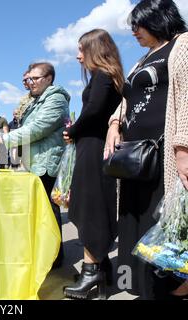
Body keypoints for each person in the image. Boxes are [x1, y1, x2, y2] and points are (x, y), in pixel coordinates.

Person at [104, 0, 188, 300]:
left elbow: (187, 94)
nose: (133, 31)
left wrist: (183, 147)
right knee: (135, 220)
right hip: (134, 157)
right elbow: (127, 99)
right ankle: (140, 287)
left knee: (163, 222)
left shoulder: (183, 45)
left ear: (158, 19)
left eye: (138, 24)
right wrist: (114, 125)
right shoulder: (143, 59)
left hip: (163, 153)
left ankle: (169, 289)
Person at [0, 62, 70, 267]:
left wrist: (4, 139)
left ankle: (54, 258)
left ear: (49, 78)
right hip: (34, 162)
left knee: (49, 212)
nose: (30, 82)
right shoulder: (37, 100)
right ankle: (44, 253)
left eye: (35, 78)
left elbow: (38, 128)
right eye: (29, 79)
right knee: (37, 212)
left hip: (46, 163)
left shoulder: (56, 99)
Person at [62, 29, 124, 300]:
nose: (77, 56)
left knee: (90, 209)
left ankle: (92, 272)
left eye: (81, 50)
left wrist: (72, 130)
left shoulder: (102, 76)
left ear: (94, 50)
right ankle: (103, 274)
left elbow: (94, 110)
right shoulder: (106, 76)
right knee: (91, 206)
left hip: (94, 148)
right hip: (94, 147)